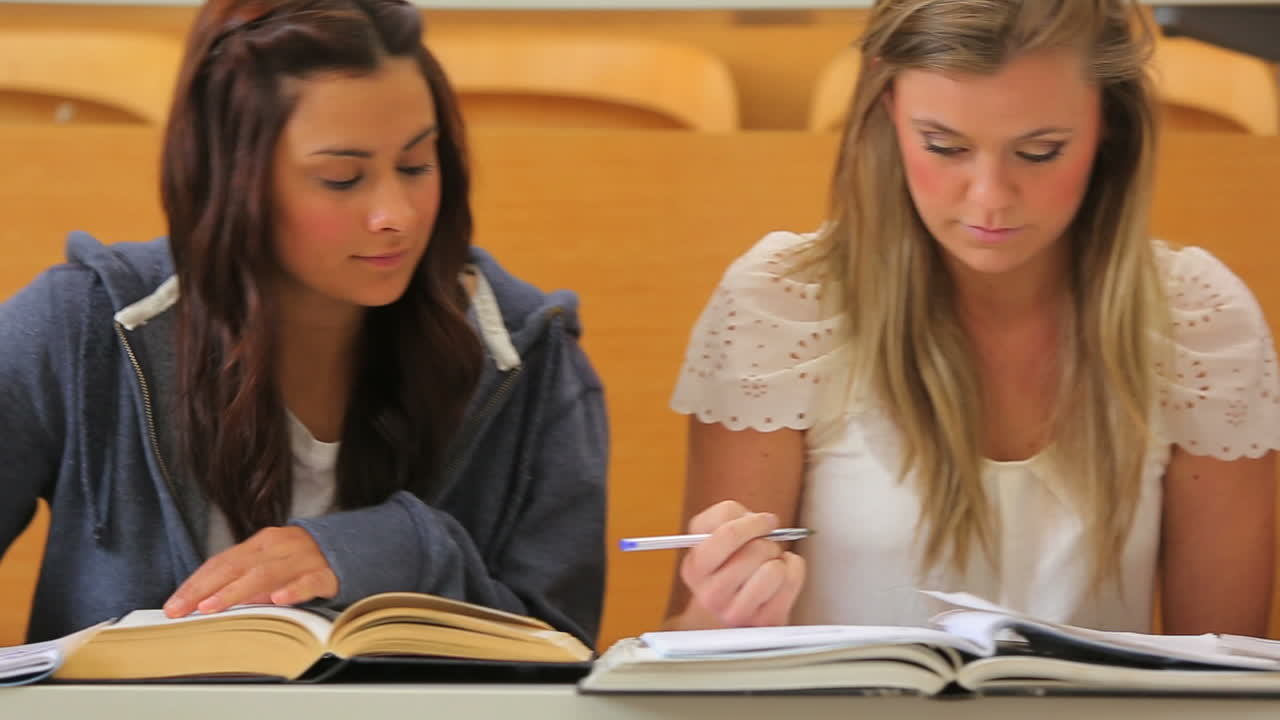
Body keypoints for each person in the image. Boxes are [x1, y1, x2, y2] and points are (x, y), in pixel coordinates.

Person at [0, 0, 606, 646]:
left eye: (415, 166)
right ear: (231, 179)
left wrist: (395, 550)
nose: (396, 214)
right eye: (341, 178)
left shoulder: (531, 358)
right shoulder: (80, 327)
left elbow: (561, 651)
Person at [667, 0, 1277, 635]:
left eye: (1039, 152)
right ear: (887, 103)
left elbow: (1225, 668)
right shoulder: (782, 305)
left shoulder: (1199, 320)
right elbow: (689, 654)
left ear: (1109, 124)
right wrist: (718, 615)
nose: (989, 198)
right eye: (945, 146)